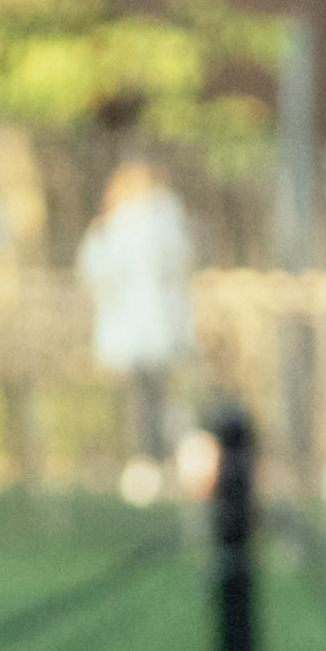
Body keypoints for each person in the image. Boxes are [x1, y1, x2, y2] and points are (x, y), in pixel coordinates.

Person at [78, 156, 199, 469]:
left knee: (153, 397)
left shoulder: (154, 220)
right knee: (148, 396)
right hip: (141, 327)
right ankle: (150, 457)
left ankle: (155, 457)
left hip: (151, 326)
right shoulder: (122, 224)